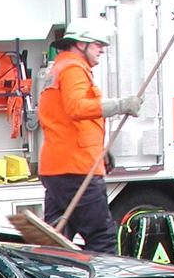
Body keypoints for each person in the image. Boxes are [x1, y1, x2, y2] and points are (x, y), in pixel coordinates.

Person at [37, 17, 142, 254]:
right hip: (76, 168)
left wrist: (100, 150)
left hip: (59, 166)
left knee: (57, 241)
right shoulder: (73, 69)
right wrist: (120, 105)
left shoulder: (61, 67)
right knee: (102, 237)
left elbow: (65, 119)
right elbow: (77, 108)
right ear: (80, 44)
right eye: (98, 44)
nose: (102, 49)